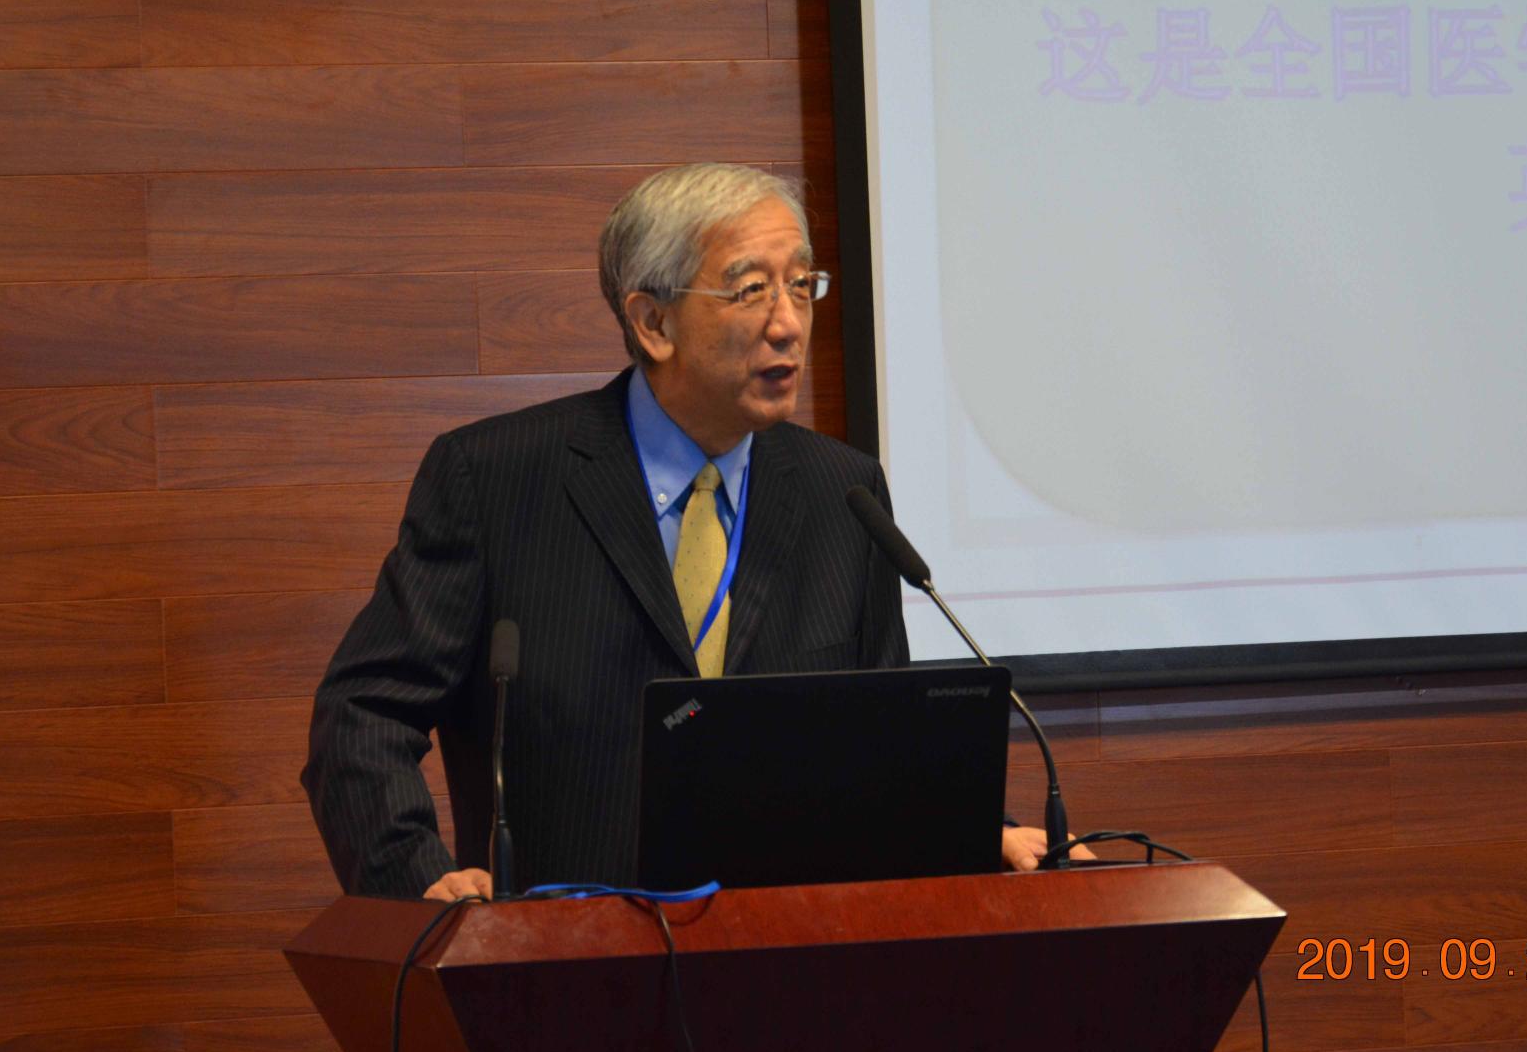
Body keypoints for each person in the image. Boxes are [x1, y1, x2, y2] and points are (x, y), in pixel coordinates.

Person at [303, 163, 1074, 899]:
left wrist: (977, 831)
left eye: (801, 285)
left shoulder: (844, 493)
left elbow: (885, 740)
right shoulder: (497, 480)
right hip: (565, 958)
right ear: (653, 321)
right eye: (751, 290)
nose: (789, 324)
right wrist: (417, 877)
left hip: (789, 961)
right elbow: (363, 712)